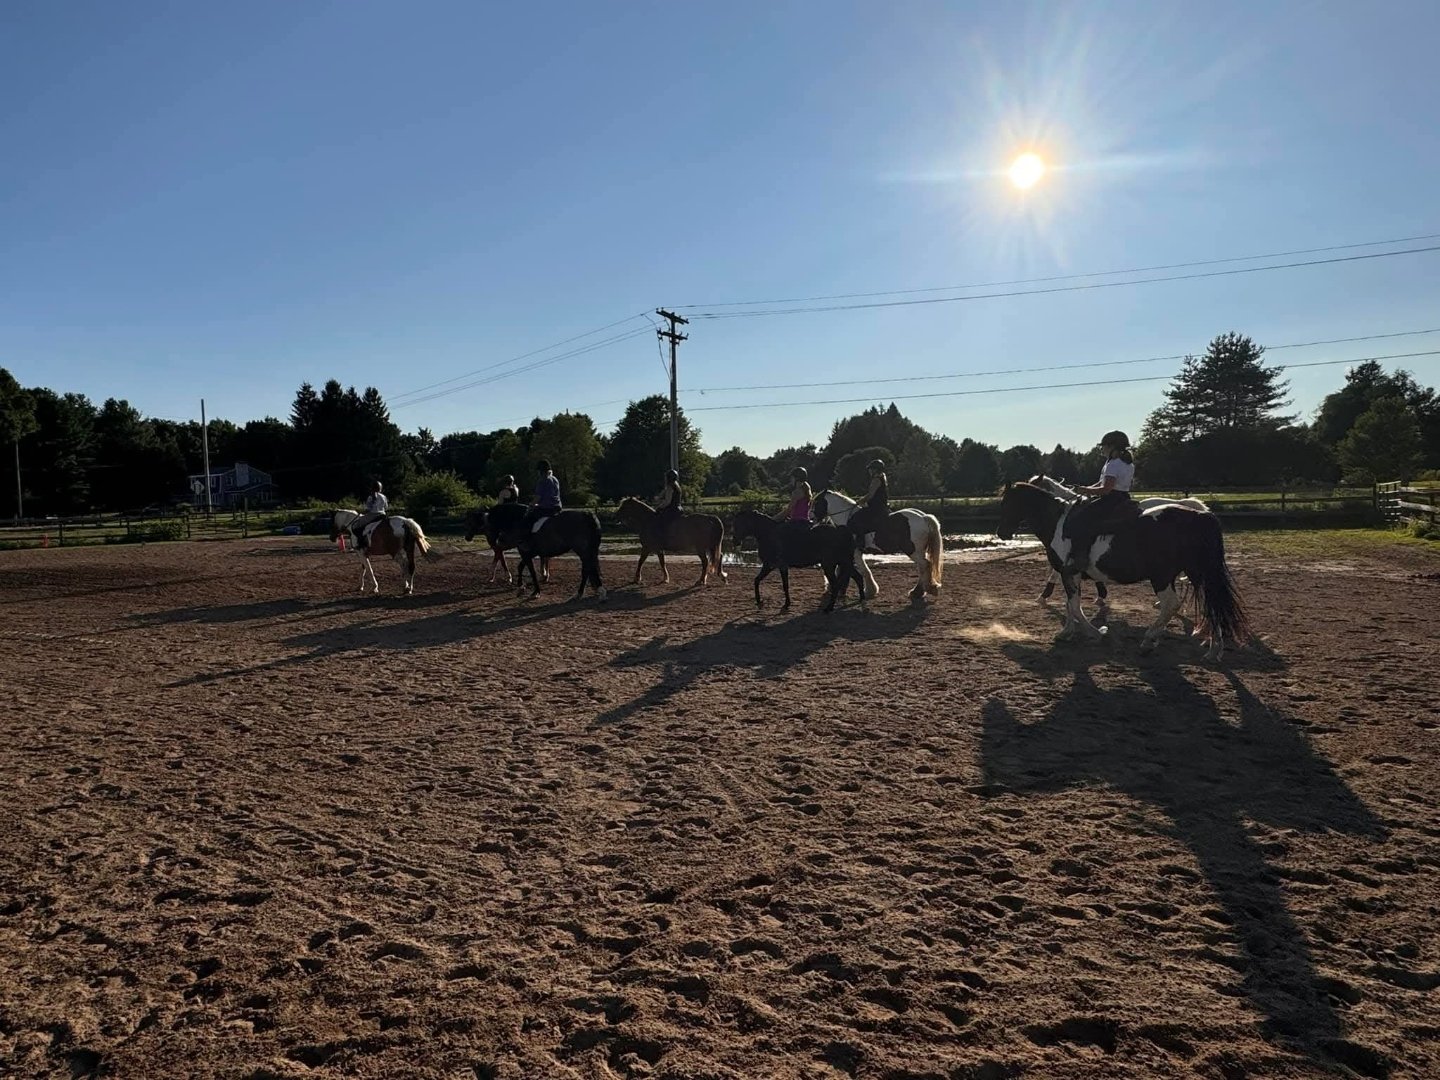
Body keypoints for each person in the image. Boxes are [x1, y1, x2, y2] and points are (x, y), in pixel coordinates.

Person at [1063, 430, 1142, 572]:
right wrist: (1083, 489)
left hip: (1111, 500)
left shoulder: (1113, 464)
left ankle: (1081, 558)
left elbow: (1106, 489)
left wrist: (1085, 491)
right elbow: (1100, 483)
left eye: (1104, 446)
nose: (1102, 449)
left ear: (1112, 447)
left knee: (1078, 520)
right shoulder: (1126, 463)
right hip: (1123, 497)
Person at [846, 458, 889, 548]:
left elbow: (870, 495)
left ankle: (860, 543)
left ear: (875, 470)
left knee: (856, 518)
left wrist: (858, 502)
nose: (869, 471)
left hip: (876, 508)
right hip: (879, 506)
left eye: (871, 469)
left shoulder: (876, 480)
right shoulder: (882, 478)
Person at [521, 460, 562, 530]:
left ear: (541, 471)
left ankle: (528, 537)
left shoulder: (542, 481)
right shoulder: (555, 479)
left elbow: (538, 497)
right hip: (557, 507)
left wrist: (531, 506)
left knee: (527, 518)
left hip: (547, 509)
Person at [351, 480, 389, 551]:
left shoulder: (371, 497)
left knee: (357, 526)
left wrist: (361, 511)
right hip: (383, 514)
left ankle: (361, 543)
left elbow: (368, 509)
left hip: (373, 515)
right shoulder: (384, 497)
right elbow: (386, 507)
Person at [774, 466, 813, 535]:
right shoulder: (806, 489)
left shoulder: (797, 492)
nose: (791, 480)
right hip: (805, 521)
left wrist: (773, 519)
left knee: (777, 533)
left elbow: (788, 510)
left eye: (792, 478)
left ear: (797, 479)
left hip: (796, 522)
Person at [654, 468, 683, 542]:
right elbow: (664, 493)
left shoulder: (670, 487)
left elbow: (667, 501)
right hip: (678, 508)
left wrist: (659, 507)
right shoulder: (677, 486)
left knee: (658, 519)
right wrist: (659, 497)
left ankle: (662, 537)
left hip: (671, 509)